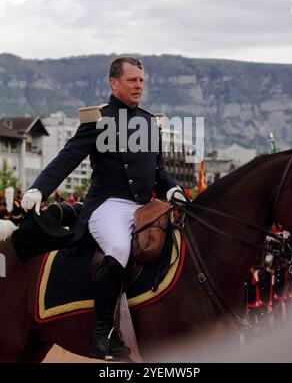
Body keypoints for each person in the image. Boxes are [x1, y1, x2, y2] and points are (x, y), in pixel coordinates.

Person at [21, 56, 185, 360]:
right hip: (107, 205)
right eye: (132, 80)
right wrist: (38, 188)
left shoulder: (150, 122)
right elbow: (67, 158)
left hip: (144, 207)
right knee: (120, 248)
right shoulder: (97, 120)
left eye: (141, 81)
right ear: (114, 83)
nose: (139, 86)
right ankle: (102, 333)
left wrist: (173, 188)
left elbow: (158, 171)